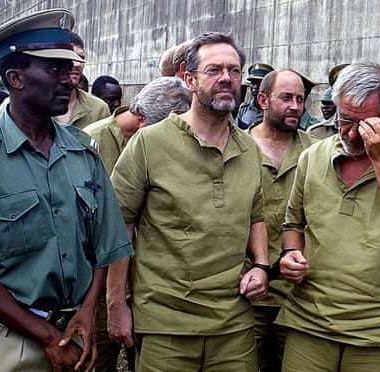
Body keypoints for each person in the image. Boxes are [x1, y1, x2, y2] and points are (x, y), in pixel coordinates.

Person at [107, 32, 269, 371]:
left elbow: (256, 216)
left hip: (234, 326)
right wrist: (116, 305)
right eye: (214, 70)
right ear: (188, 79)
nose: (227, 78)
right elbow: (119, 226)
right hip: (166, 325)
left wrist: (260, 266)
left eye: (234, 71)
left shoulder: (250, 149)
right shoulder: (149, 143)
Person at [0, 9, 133, 371]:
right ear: (16, 78)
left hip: (78, 335)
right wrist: (47, 336)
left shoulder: (83, 150)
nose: (70, 80)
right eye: (54, 70)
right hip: (9, 343)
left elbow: (105, 244)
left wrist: (87, 311)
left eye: (70, 70)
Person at [276, 61, 380, 371]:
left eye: (365, 125)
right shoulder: (313, 156)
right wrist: (290, 253)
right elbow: (293, 223)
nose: (351, 134)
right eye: (345, 119)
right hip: (309, 321)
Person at [85, 76, 190, 372]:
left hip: (148, 280)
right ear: (142, 118)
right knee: (99, 357)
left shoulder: (171, 146)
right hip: (99, 275)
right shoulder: (91, 142)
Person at [247, 69, 316, 371]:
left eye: (300, 100)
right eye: (286, 98)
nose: (295, 107)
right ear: (263, 100)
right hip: (248, 293)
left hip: (299, 294)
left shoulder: (317, 152)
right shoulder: (237, 148)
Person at [54, 31, 110, 128]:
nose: (77, 64)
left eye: (81, 57)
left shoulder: (99, 109)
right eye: (71, 56)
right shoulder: (34, 105)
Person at [236, 62, 274, 129]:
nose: (255, 87)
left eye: (259, 82)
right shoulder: (243, 109)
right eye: (253, 83)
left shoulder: (274, 111)